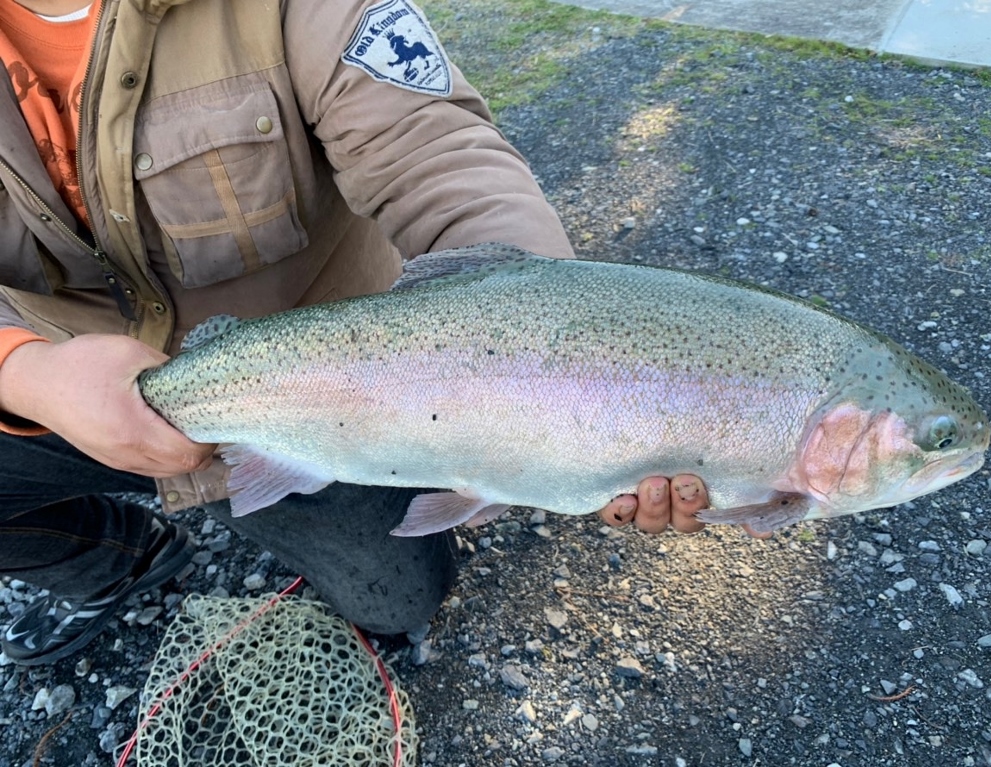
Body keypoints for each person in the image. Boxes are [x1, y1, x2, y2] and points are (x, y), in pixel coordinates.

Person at [0, 0, 722, 667]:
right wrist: (28, 374)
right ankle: (110, 554)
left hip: (328, 399)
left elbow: (433, 151)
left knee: (398, 599)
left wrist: (552, 368)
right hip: (48, 388)